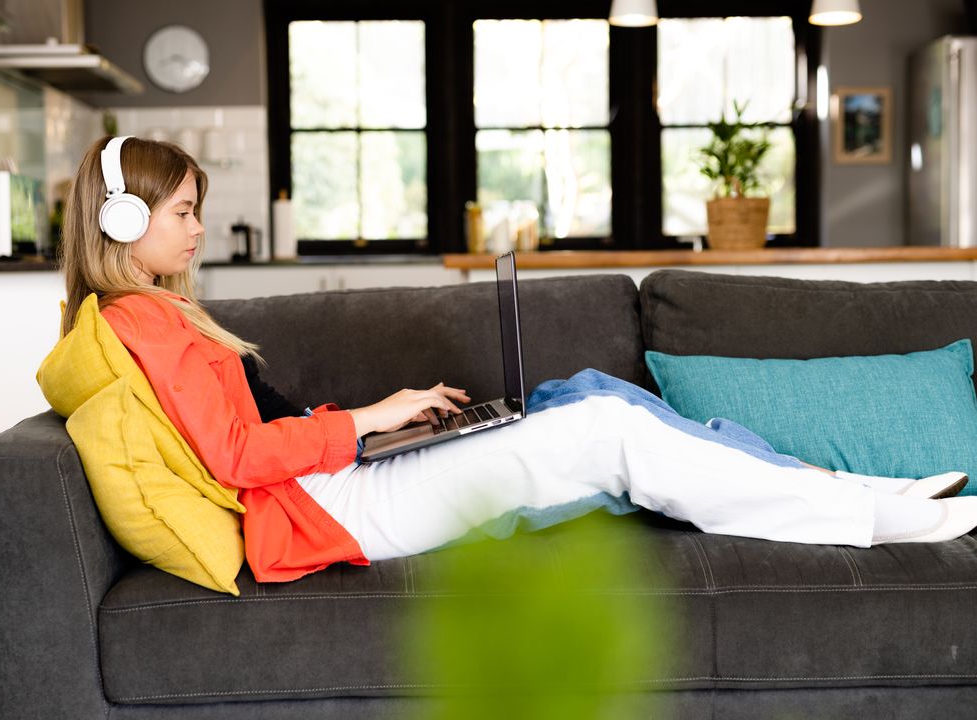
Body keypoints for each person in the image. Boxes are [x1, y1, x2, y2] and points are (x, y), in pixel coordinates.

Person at [58, 135, 977, 583]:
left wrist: (375, 420)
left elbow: (258, 430)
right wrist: (371, 422)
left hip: (332, 481)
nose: (198, 226)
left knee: (582, 393)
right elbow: (235, 459)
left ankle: (828, 484)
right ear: (123, 222)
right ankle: (863, 513)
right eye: (182, 211)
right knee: (611, 432)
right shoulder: (143, 323)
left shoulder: (153, 316)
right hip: (328, 512)